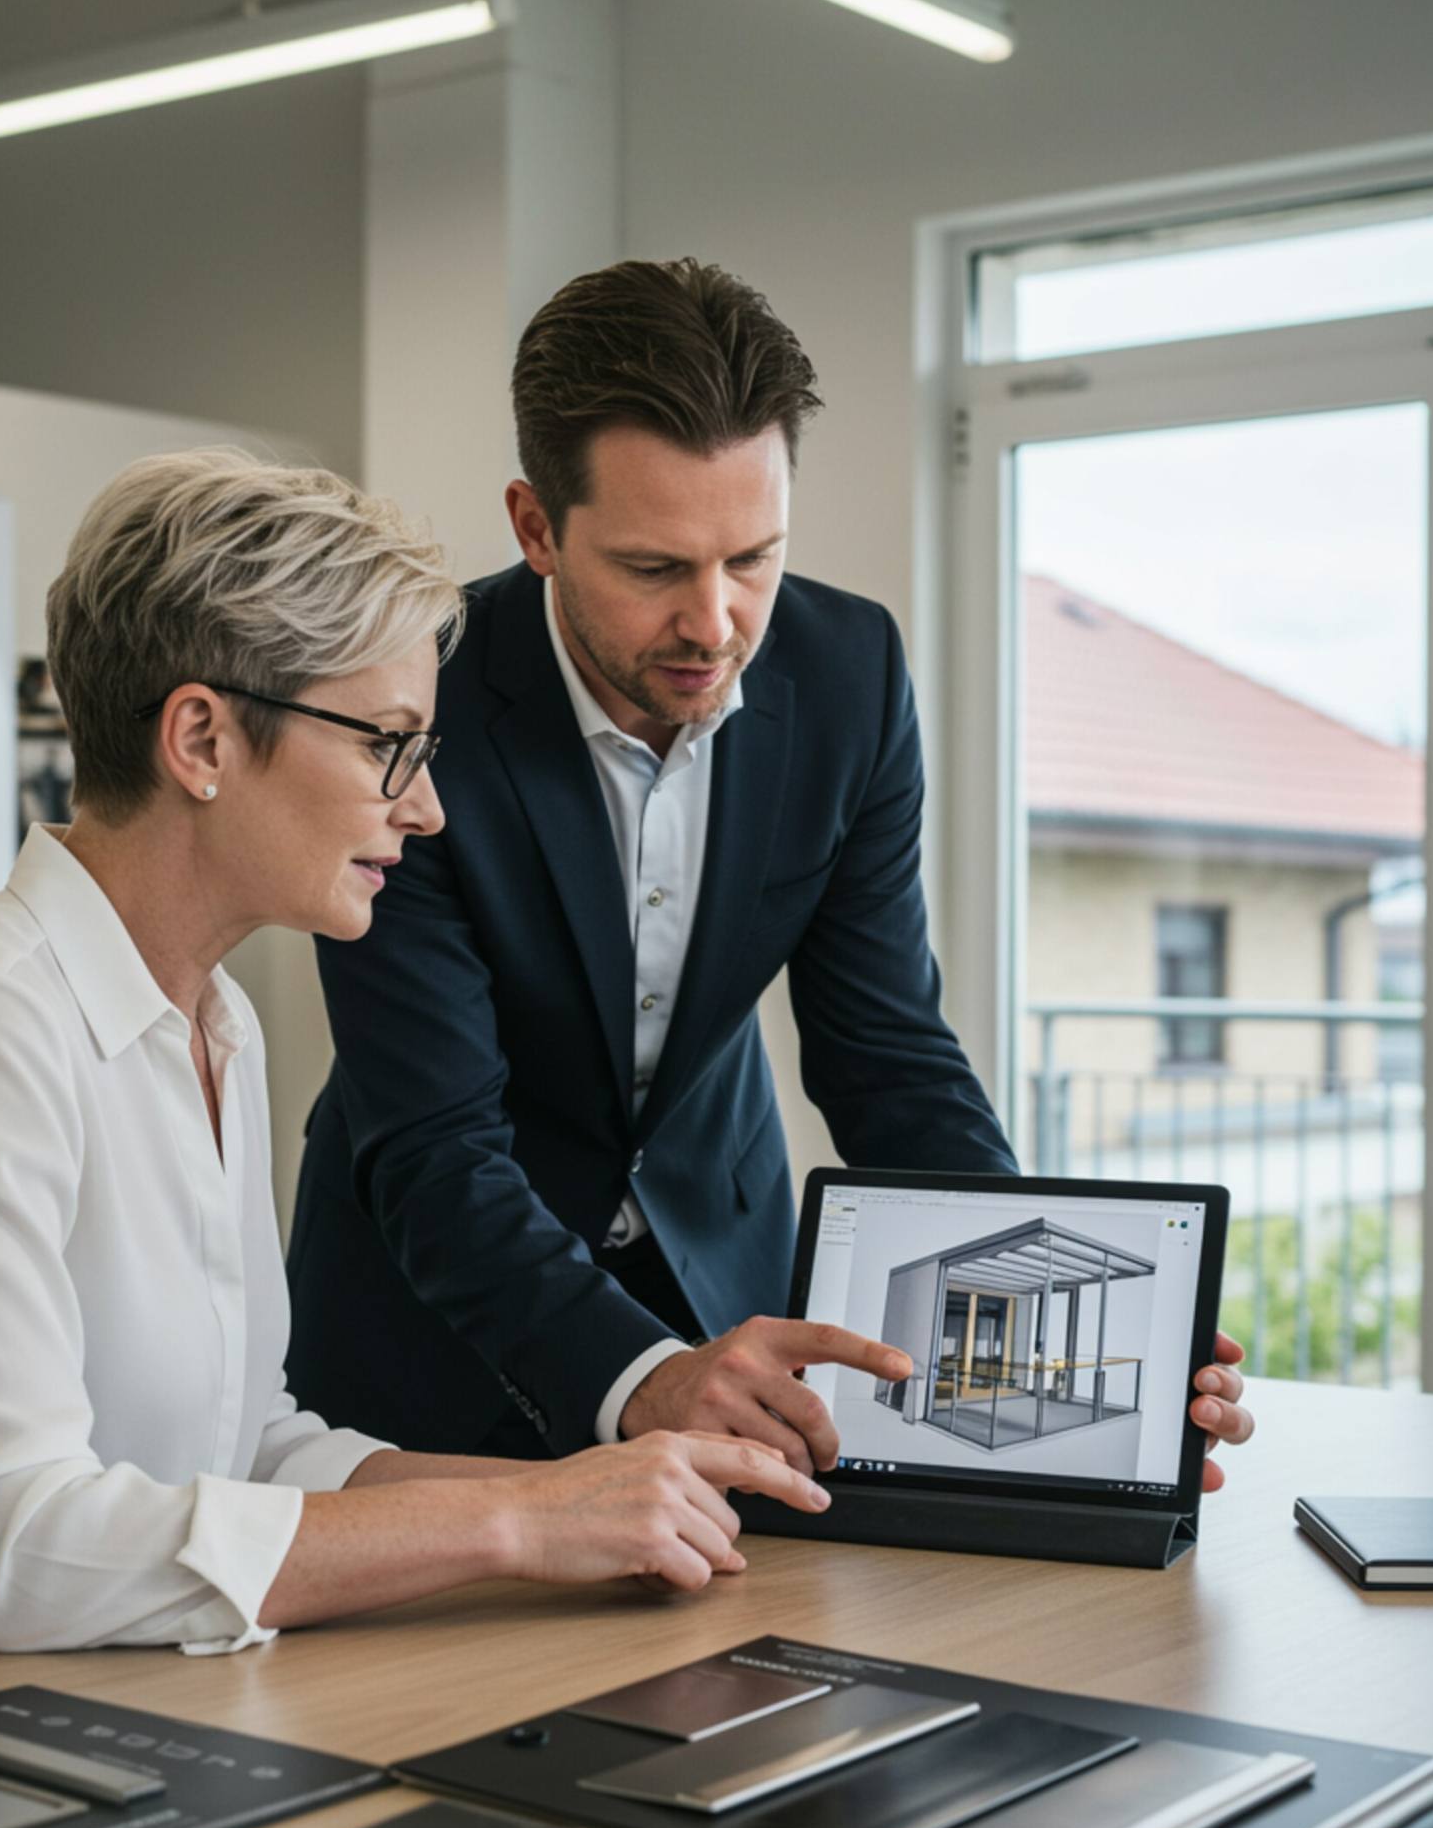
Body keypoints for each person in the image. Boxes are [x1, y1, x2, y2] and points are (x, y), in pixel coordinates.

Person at [0, 451, 825, 1695]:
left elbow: (252, 1450)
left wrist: (595, 1500)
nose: (424, 811)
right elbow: (16, 1546)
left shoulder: (216, 1023)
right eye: (389, 745)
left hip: (116, 1689)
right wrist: (515, 1527)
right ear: (201, 737)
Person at [286, 260, 1253, 1476]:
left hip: (719, 1291)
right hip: (429, 1329)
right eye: (653, 569)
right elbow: (434, 1145)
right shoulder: (414, 697)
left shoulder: (846, 673)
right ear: (535, 526)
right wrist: (640, 1379)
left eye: (753, 556)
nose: (715, 623)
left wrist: (1068, 1346)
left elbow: (887, 1052)